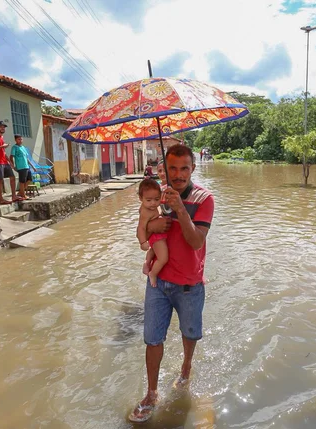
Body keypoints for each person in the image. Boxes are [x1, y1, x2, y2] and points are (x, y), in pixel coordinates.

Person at [129, 144, 214, 423]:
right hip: (158, 281)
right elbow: (142, 229)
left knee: (190, 334)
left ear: (193, 168)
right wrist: (150, 228)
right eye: (172, 168)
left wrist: (179, 209)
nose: (178, 174)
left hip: (190, 284)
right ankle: (151, 393)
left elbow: (196, 241)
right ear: (165, 168)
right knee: (152, 339)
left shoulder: (204, 198)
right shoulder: (157, 194)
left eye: (184, 168)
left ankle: (186, 367)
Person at [136, 178, 168, 288]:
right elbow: (140, 228)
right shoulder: (145, 212)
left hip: (156, 235)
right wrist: (143, 242)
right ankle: (153, 273)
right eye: (149, 200)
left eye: (156, 199)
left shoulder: (148, 207)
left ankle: (147, 263)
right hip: (156, 236)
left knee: (153, 251)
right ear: (141, 198)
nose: (153, 203)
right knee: (163, 258)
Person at [0, 121, 18, 204]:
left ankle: (14, 196)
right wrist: (2, 146)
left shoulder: (1, 137)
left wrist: (10, 162)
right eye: (1, 127)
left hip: (4, 161)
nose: (3, 128)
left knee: (12, 177)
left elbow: (3, 152)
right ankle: (1, 199)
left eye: (4, 127)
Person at [9, 135, 32, 200]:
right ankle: (23, 195)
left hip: (26, 166)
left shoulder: (23, 147)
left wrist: (32, 166)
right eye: (19, 139)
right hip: (21, 167)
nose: (20, 141)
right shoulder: (14, 147)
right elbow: (11, 157)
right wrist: (13, 166)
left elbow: (26, 158)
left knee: (29, 179)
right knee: (22, 181)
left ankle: (20, 192)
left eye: (21, 139)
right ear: (15, 140)